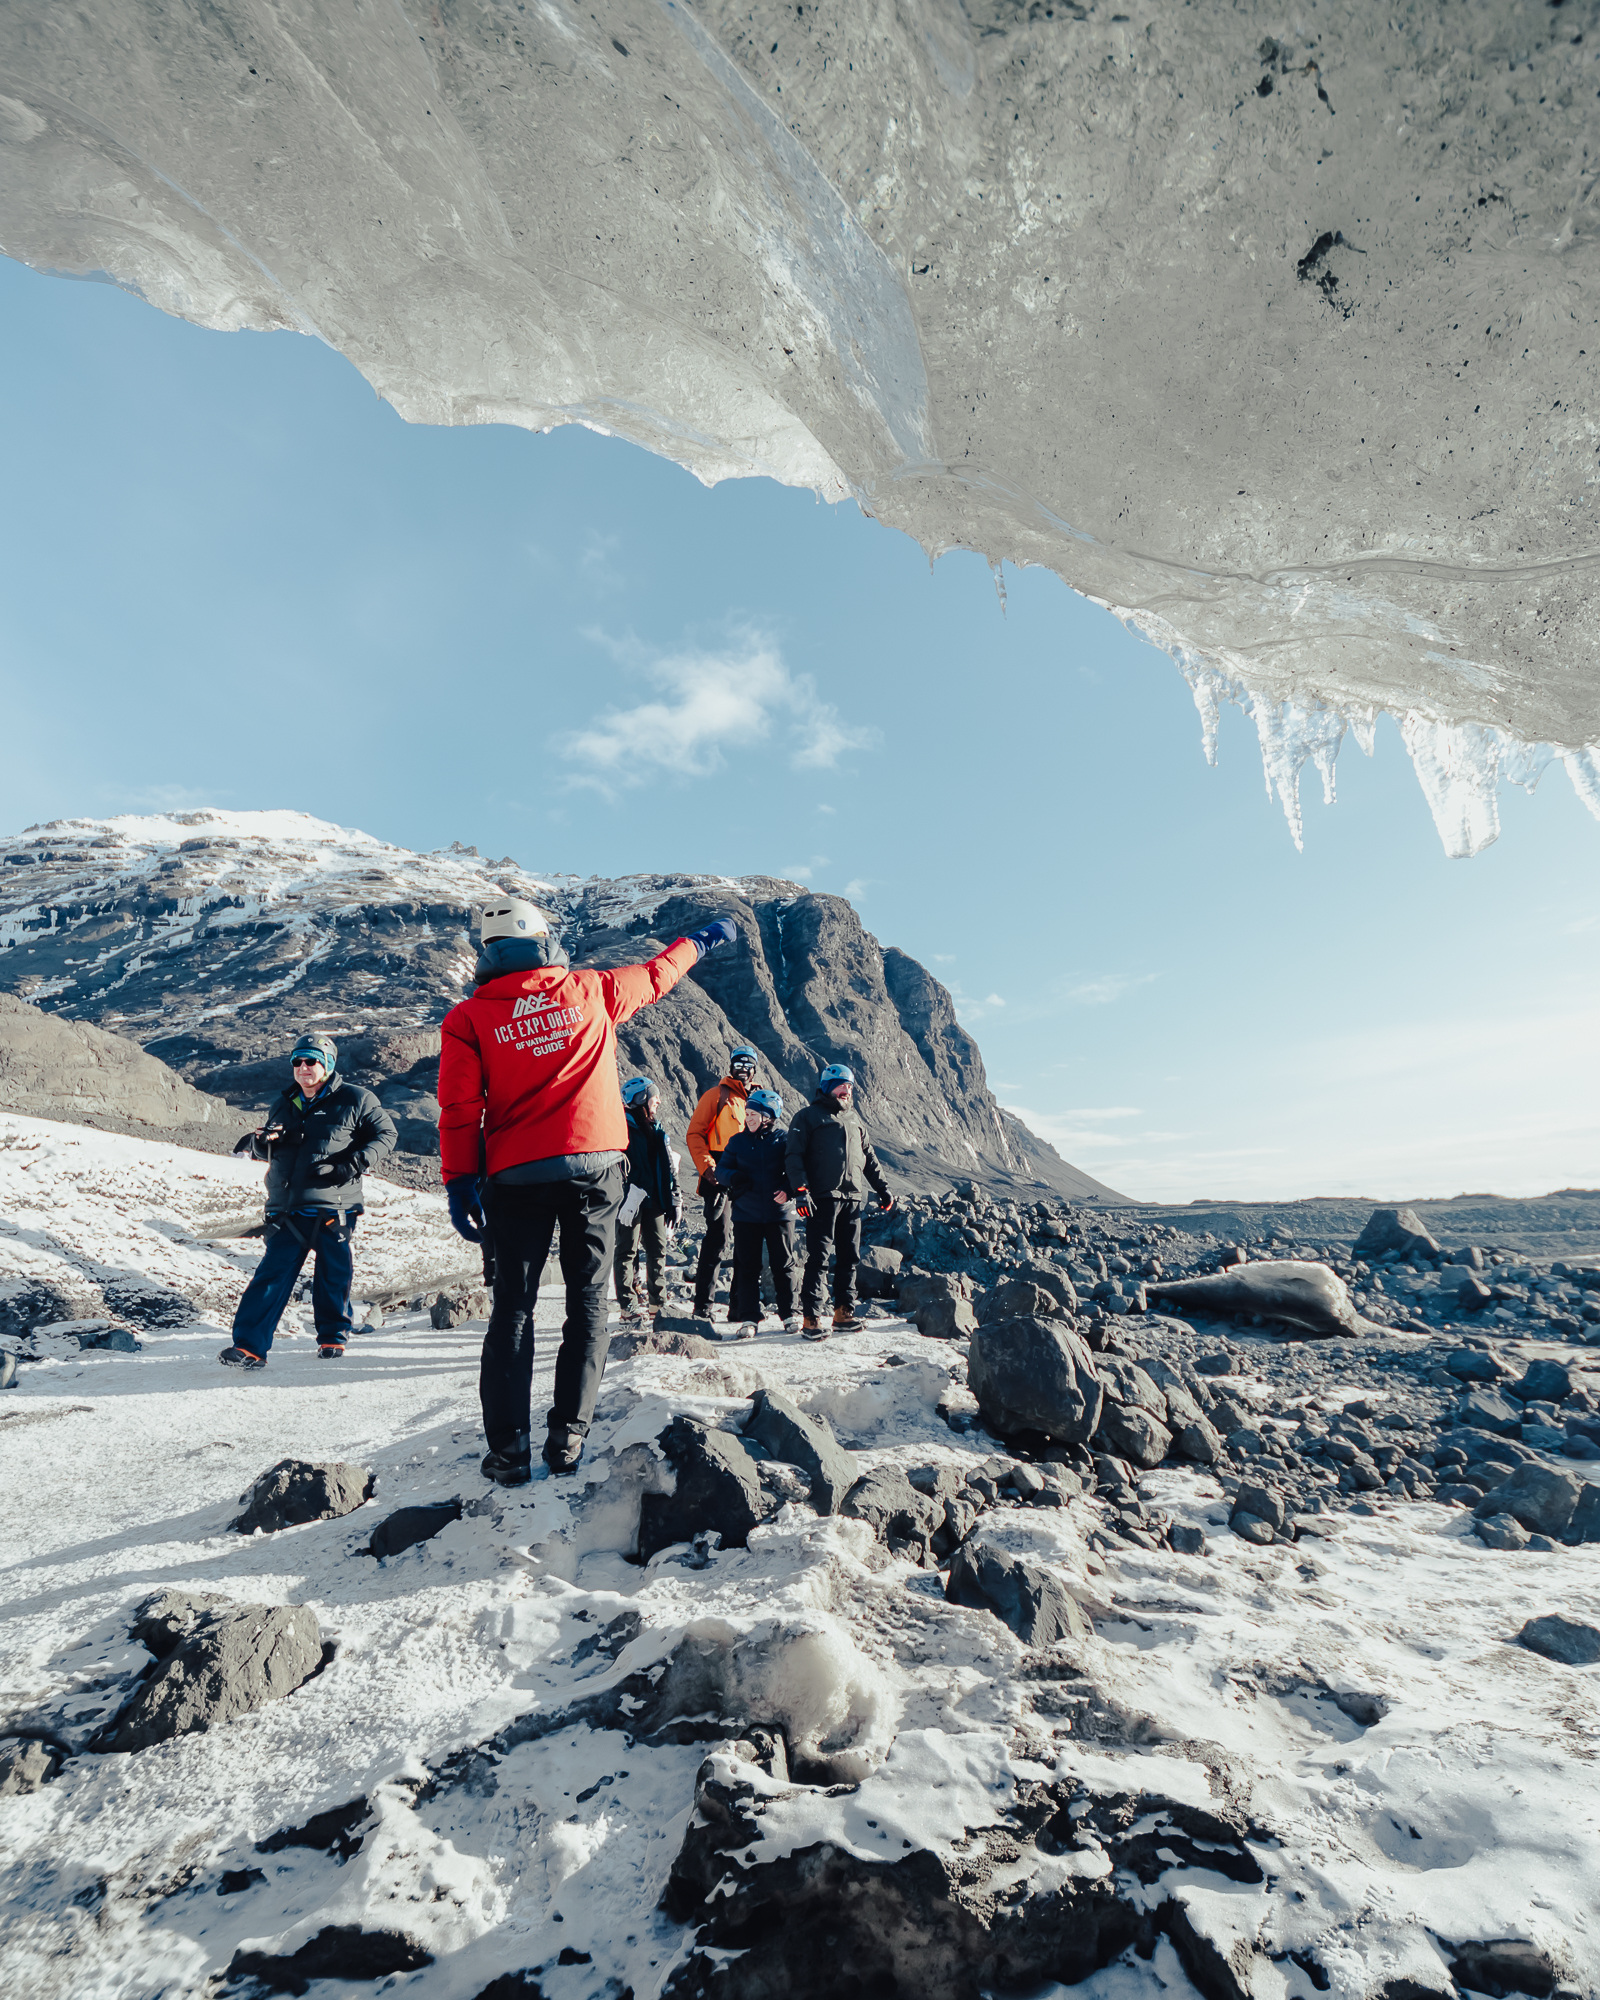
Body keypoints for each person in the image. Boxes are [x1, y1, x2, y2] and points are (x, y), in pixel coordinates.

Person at [438, 896, 735, 1483]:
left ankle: (509, 1450)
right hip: (595, 1170)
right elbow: (658, 974)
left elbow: (459, 1109)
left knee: (514, 1311)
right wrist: (703, 939)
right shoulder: (593, 989)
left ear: (488, 954)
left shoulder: (468, 1020)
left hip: (514, 1176)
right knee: (588, 1303)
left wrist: (458, 1180)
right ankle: (567, 1440)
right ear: (544, 941)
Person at [218, 1033, 397, 1368]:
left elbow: (386, 1134)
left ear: (327, 1064)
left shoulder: (356, 1099)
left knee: (333, 1274)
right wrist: (262, 1142)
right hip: (288, 1207)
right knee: (270, 1277)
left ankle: (332, 1337)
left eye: (311, 1061)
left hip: (335, 1204)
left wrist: (354, 1162)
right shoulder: (284, 1102)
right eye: (297, 1061)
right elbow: (269, 1150)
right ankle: (249, 1347)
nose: (303, 1068)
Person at [786, 1062, 894, 1338]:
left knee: (850, 1257)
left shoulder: (855, 1120)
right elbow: (794, 1157)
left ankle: (844, 1312)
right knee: (819, 1258)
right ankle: (811, 1318)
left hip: (853, 1197)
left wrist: (883, 1189)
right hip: (822, 1198)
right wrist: (801, 1190)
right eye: (841, 1084)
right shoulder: (807, 1117)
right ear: (827, 1087)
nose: (847, 1089)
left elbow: (869, 1158)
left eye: (850, 1085)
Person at [714, 1087, 801, 1339]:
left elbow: (796, 1171)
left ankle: (790, 1314)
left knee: (783, 1265)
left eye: (753, 1114)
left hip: (779, 1214)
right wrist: (734, 1176)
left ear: (768, 1117)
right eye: (747, 1113)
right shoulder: (737, 1142)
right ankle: (750, 1318)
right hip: (746, 1214)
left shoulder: (783, 1140)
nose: (748, 1118)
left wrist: (788, 1190)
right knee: (747, 1268)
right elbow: (721, 1171)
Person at [685, 1045, 759, 1321]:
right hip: (719, 1175)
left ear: (754, 1068)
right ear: (730, 1067)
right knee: (718, 1238)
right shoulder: (716, 1096)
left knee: (746, 1242)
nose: (742, 1069)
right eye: (737, 1064)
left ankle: (739, 1307)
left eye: (747, 1064)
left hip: (749, 1177)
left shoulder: (758, 1099)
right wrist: (708, 1169)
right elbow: (695, 1133)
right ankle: (703, 1307)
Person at [614, 1074, 681, 1327]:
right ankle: (628, 1308)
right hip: (628, 1202)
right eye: (654, 1097)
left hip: (654, 1200)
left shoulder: (656, 1127)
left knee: (657, 1250)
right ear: (642, 1099)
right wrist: (626, 1194)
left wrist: (675, 1199)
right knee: (626, 1251)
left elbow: (667, 1166)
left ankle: (657, 1306)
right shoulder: (621, 1127)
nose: (659, 1102)